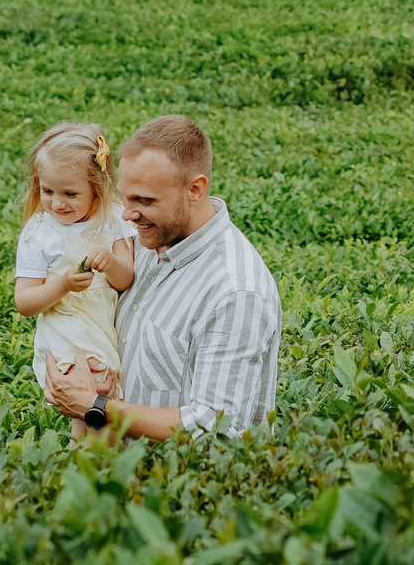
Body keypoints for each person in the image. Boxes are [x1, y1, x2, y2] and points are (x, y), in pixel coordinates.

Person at [44, 115, 280, 439]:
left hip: (177, 471)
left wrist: (95, 406)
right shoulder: (144, 238)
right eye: (125, 197)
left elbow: (215, 429)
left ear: (195, 189)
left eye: (145, 200)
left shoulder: (235, 293)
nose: (128, 214)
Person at [11, 122, 137, 437]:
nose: (57, 203)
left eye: (70, 193)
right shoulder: (40, 233)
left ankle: (87, 462)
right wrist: (63, 285)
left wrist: (111, 263)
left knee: (97, 415)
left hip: (104, 329)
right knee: (94, 406)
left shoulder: (112, 218)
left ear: (98, 187)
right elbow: (25, 302)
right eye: (47, 191)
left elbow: (125, 280)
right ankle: (94, 463)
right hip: (65, 331)